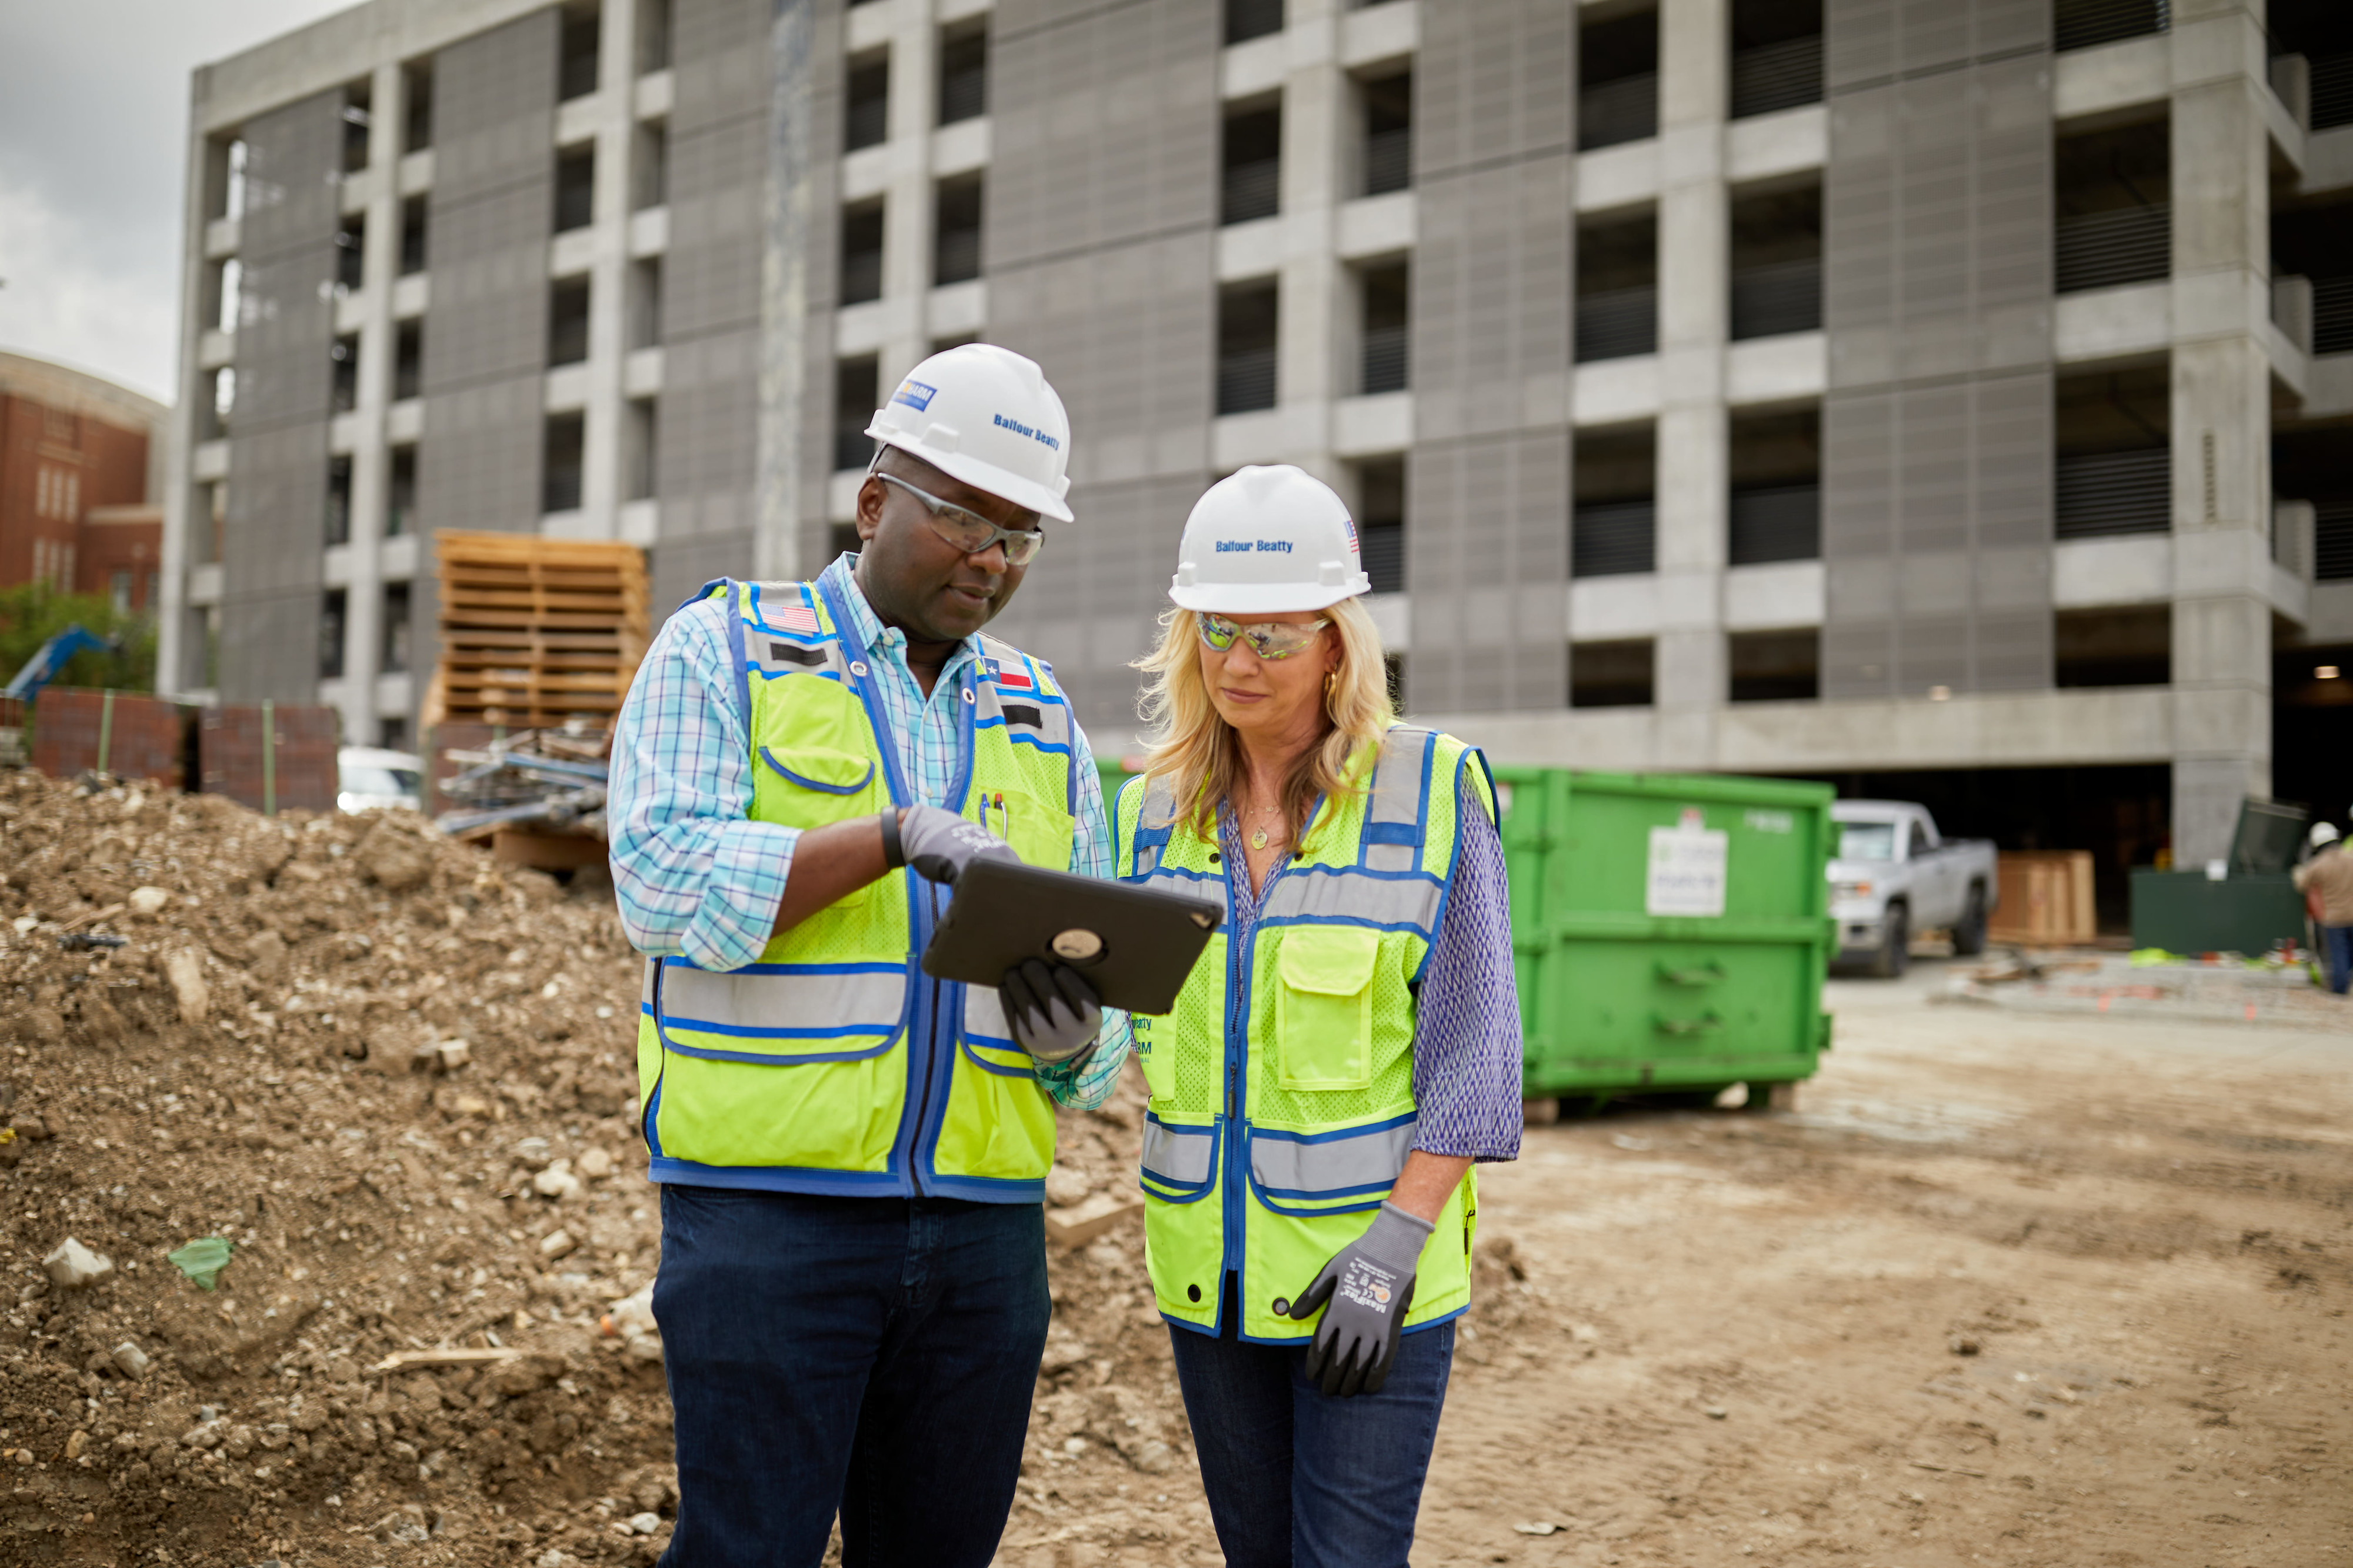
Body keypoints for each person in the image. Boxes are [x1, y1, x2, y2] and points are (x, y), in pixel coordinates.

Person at [607, 343, 1125, 1568]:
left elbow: (1101, 1013)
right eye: (964, 520)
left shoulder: (1044, 716)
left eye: (1018, 536)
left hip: (985, 1234)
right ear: (876, 499)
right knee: (749, 1550)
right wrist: (886, 839)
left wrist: (1080, 1039)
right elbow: (665, 886)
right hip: (768, 1221)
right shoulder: (723, 649)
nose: (991, 559)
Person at [1110, 465, 1525, 1568]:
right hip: (1212, 1280)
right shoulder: (1147, 813)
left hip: (1369, 1275)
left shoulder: (1431, 792)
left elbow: (1477, 1048)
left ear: (1338, 641)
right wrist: (1066, 1035)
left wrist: (1392, 1249)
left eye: (1275, 637)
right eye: (1216, 631)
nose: (1238, 663)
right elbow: (1123, 1031)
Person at [2294, 820, 2353, 995]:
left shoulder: (2319, 864)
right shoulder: (2351, 858)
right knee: (2349, 953)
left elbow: (2302, 883)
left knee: (2338, 953)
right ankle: (2344, 978)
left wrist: (2298, 872)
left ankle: (2340, 987)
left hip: (2334, 918)